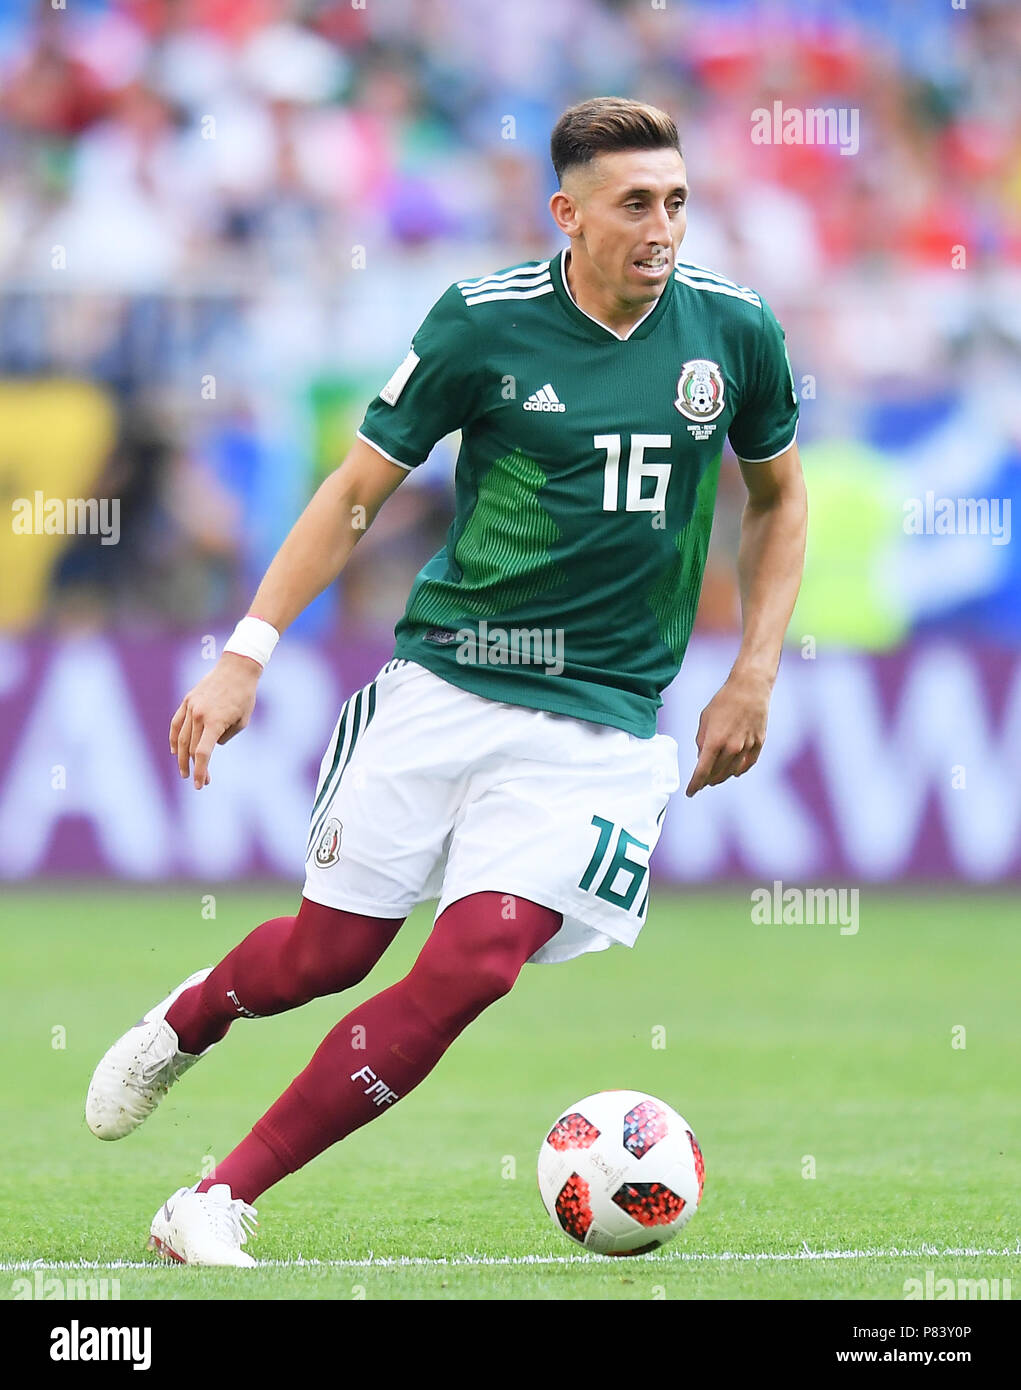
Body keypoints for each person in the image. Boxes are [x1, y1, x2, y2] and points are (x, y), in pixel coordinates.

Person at [85, 96, 807, 1266]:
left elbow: (779, 500)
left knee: (474, 966)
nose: (662, 226)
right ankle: (188, 1018)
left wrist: (755, 668)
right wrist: (245, 650)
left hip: (606, 730)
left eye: (676, 200)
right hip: (448, 686)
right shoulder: (482, 323)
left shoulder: (733, 332)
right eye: (634, 204)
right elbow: (355, 493)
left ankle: (217, 1197)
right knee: (328, 957)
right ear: (567, 214)